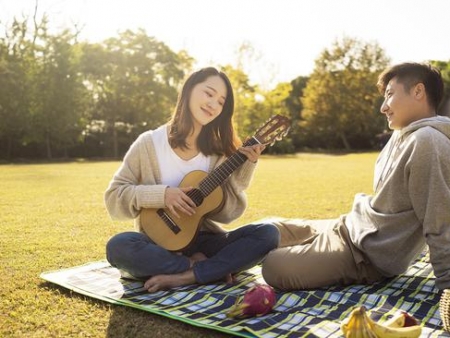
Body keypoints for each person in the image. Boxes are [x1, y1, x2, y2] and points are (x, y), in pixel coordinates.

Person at [260, 62, 450, 292]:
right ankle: (207, 254)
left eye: (389, 94)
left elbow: (439, 222)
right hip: (349, 226)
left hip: (363, 256)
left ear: (418, 92)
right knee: (265, 227)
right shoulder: (401, 133)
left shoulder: (428, 142)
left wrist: (447, 287)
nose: (383, 107)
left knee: (273, 265)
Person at [104, 67, 280, 292]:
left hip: (204, 241)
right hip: (159, 244)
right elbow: (114, 197)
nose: (213, 104)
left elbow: (228, 214)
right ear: (188, 90)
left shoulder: (219, 153)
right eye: (209, 93)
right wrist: (163, 195)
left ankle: (184, 277)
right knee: (118, 247)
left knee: (268, 234)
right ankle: (200, 268)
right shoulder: (149, 144)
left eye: (220, 102)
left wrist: (248, 165)